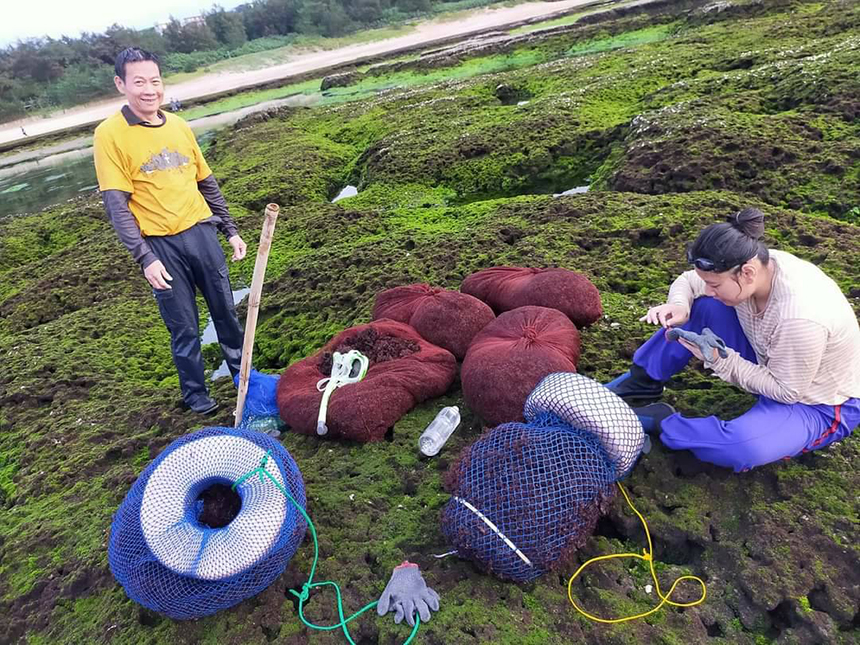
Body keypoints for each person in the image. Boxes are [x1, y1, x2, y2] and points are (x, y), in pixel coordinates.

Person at [607, 207, 860, 471]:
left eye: (714, 285)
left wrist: (720, 361)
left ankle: (663, 422)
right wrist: (680, 305)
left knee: (741, 448)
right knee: (702, 306)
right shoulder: (751, 262)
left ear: (747, 273)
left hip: (815, 402)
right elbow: (689, 281)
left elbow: (787, 391)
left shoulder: (800, 317)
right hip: (768, 355)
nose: (707, 289)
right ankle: (641, 383)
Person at [93, 47, 247, 415]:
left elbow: (206, 183)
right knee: (184, 326)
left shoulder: (178, 126)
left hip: (201, 232)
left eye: (155, 80)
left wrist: (231, 230)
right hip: (160, 247)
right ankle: (196, 395)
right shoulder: (109, 135)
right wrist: (144, 258)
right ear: (121, 84)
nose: (149, 89)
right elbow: (116, 205)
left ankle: (244, 378)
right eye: (139, 82)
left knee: (226, 311)